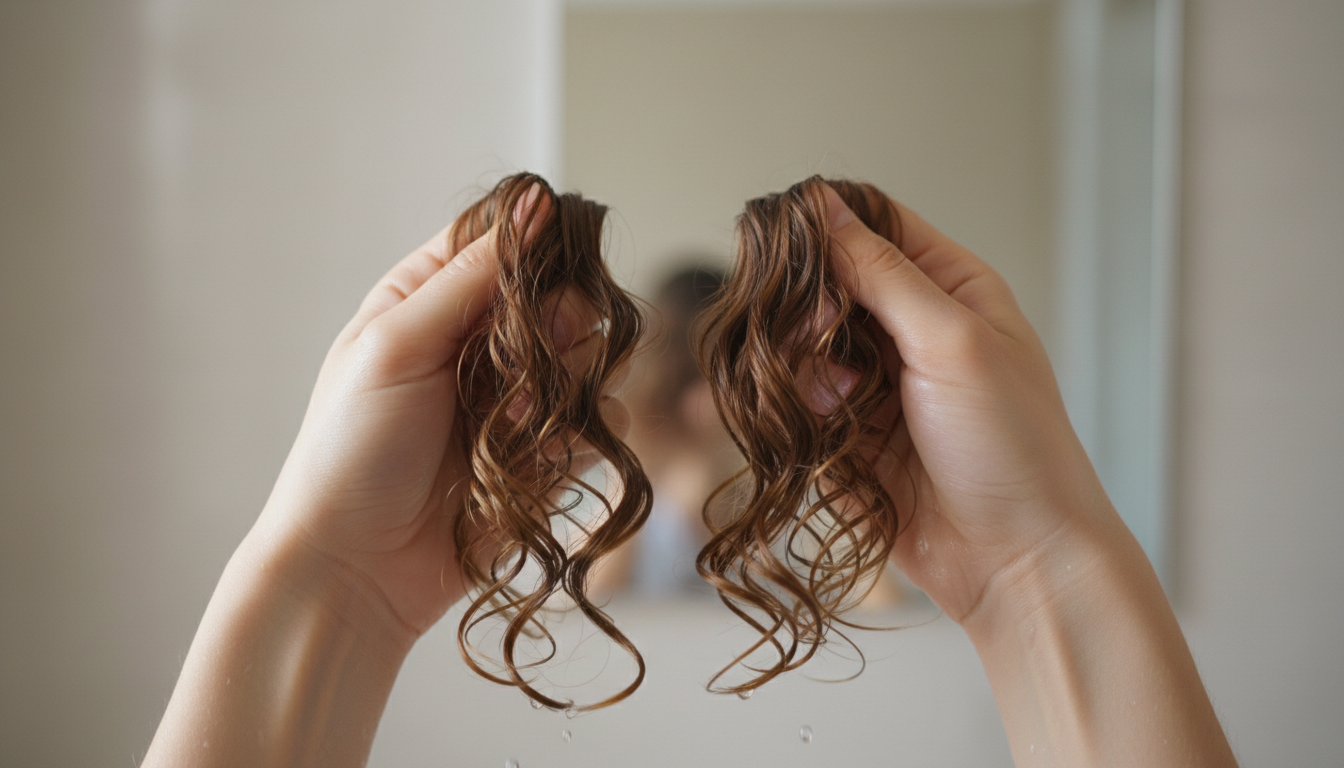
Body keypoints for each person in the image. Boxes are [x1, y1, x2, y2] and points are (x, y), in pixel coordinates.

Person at [141, 185, 1239, 767]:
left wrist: (332, 579)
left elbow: (877, 600)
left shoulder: (823, 491)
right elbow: (608, 592)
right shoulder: (646, 471)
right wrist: (1040, 572)